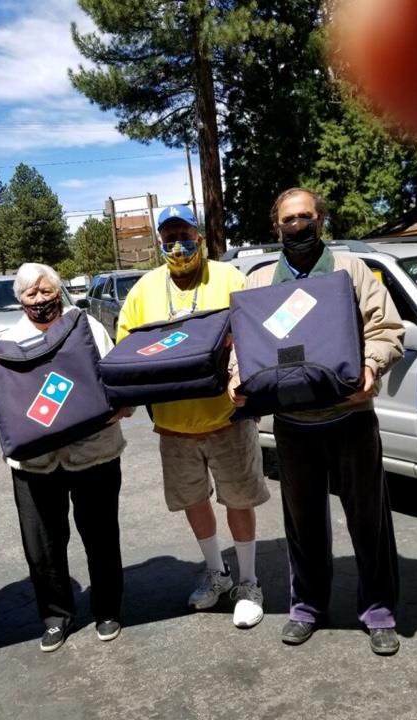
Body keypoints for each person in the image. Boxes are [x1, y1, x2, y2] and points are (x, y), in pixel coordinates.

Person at [228, 187, 404, 655]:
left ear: (320, 220)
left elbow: (386, 328)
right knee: (302, 524)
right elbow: (241, 344)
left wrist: (372, 366)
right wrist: (236, 378)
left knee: (368, 520)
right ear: (276, 227)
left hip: (350, 416)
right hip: (293, 422)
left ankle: (379, 611)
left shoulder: (351, 270)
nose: (297, 226)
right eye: (288, 219)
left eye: (305, 216)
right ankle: (306, 607)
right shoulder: (259, 281)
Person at [117, 205, 269, 629]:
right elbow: (126, 349)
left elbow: (255, 334)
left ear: (199, 237)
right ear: (159, 243)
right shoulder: (143, 290)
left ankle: (249, 582)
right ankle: (217, 572)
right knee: (194, 500)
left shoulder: (229, 278)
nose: (177, 245)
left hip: (228, 416)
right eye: (169, 238)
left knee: (238, 499)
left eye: (184, 235)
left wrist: (249, 387)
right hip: (174, 424)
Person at [0, 263, 127, 652]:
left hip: (94, 452)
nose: (40, 299)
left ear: (59, 291)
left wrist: (123, 405)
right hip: (35, 462)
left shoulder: (87, 327)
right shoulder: (6, 342)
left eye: (46, 291)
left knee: (101, 535)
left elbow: (113, 374)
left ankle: (107, 609)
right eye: (31, 293)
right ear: (20, 300)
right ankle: (56, 616)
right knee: (42, 545)